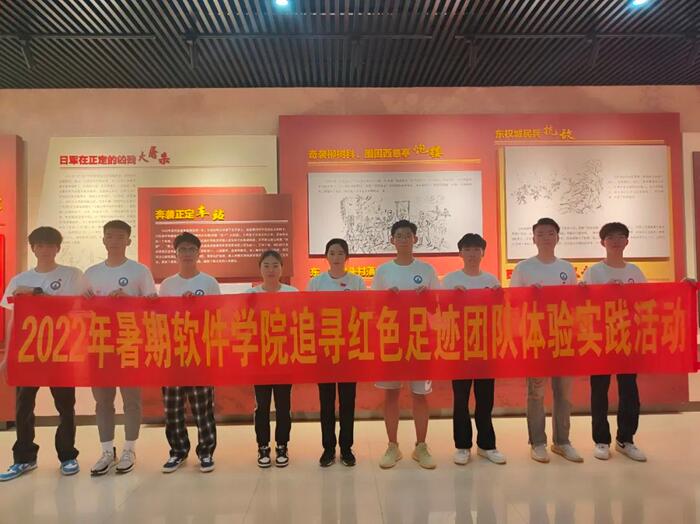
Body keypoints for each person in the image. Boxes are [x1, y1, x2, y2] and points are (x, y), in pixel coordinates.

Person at [0, 227, 84, 481]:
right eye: (39, 245)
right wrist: (7, 356)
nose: (45, 250)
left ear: (58, 248)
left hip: (60, 350)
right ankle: (24, 458)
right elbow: (13, 321)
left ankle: (67, 455)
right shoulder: (19, 280)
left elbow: (72, 309)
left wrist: (37, 294)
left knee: (65, 405)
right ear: (33, 248)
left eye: (49, 245)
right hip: (28, 352)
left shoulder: (71, 275)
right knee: (23, 406)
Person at [84, 220, 156, 476]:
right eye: (110, 236)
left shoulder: (140, 271)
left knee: (131, 400)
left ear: (128, 240)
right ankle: (106, 451)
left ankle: (129, 449)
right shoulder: (91, 273)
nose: (114, 240)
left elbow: (152, 306)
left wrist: (130, 301)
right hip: (100, 344)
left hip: (129, 342)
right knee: (103, 402)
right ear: (103, 240)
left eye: (120, 236)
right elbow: (79, 310)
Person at [510, 217, 582, 464]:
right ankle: (538, 442)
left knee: (564, 393)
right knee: (536, 393)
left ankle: (562, 441)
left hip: (563, 338)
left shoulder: (567, 268)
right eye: (540, 234)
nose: (546, 237)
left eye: (550, 233)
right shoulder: (523, 268)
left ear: (557, 237)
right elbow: (513, 302)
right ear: (533, 238)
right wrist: (529, 295)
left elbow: (574, 303)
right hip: (535, 338)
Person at [372, 219, 440, 470]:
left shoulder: (427, 270)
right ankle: (393, 445)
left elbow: (437, 306)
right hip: (391, 339)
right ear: (392, 240)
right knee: (391, 394)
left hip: (420, 340)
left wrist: (428, 296)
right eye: (399, 235)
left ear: (415, 239)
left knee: (420, 395)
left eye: (408, 235)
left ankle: (421, 446)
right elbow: (373, 308)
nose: (403, 239)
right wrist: (386, 298)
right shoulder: (383, 271)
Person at [582, 222, 647, 462]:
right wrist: (603, 292)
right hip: (600, 338)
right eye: (611, 237)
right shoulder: (594, 272)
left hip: (628, 338)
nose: (616, 241)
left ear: (627, 242)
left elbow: (648, 301)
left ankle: (625, 439)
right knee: (599, 390)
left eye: (621, 237)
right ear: (603, 242)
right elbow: (584, 304)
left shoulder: (635, 271)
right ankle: (601, 440)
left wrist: (683, 287)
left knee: (629, 390)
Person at [442, 233, 506, 466]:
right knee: (460, 399)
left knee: (485, 398)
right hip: (459, 347)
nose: (472, 254)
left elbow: (501, 313)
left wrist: (499, 297)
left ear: (483, 253)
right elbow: (439, 312)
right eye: (467, 249)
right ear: (460, 253)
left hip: (485, 346)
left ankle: (487, 445)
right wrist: (451, 297)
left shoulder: (491, 280)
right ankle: (462, 446)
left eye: (476, 249)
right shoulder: (449, 280)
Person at [159, 232, 219, 473]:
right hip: (173, 353)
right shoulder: (167, 284)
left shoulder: (209, 282)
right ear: (176, 253)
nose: (187, 253)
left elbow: (216, 315)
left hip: (199, 352)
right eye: (182, 249)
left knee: (202, 407)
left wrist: (196, 307)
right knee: (173, 408)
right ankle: (177, 451)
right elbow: (161, 318)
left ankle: (206, 452)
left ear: (198, 253)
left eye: (191, 249)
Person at [307, 238, 365, 468]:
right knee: (327, 402)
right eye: (332, 253)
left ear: (347, 257)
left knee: (348, 402)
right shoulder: (316, 283)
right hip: (325, 350)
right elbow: (308, 314)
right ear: (326, 256)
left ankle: (347, 448)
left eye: (341, 253)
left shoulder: (357, 282)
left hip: (349, 349)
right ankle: (328, 449)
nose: (336, 257)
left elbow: (364, 312)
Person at [246, 250, 297, 468]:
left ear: (282, 268)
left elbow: (299, 322)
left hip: (284, 357)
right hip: (260, 359)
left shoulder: (292, 293)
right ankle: (263, 446)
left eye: (275, 265)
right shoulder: (251, 295)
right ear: (260, 268)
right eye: (266, 265)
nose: (271, 270)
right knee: (262, 406)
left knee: (284, 405)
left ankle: (282, 445)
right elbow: (243, 323)